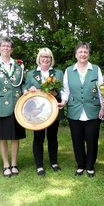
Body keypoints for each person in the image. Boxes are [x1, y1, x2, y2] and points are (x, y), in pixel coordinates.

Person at [58, 42, 104, 178]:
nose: (83, 54)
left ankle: (90, 166)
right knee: (77, 140)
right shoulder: (69, 70)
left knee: (92, 139)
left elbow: (102, 91)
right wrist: (63, 102)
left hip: (93, 110)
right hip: (75, 111)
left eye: (85, 52)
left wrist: (103, 107)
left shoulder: (96, 69)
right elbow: (66, 90)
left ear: (89, 54)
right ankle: (81, 165)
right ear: (76, 54)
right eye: (80, 52)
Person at [0, 36, 26, 177]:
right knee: (2, 137)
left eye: (8, 46)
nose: (5, 48)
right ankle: (5, 164)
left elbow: (22, 85)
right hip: (0, 107)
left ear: (12, 49)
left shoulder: (19, 66)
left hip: (16, 106)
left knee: (15, 137)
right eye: (3, 46)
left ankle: (14, 163)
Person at [23, 47, 64, 177]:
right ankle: (39, 165)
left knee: (53, 137)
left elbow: (63, 90)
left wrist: (56, 92)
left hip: (52, 110)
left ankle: (54, 162)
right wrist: (29, 89)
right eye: (43, 56)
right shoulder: (30, 73)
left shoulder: (58, 73)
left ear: (51, 59)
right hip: (36, 112)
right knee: (38, 138)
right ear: (39, 59)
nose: (45, 59)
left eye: (48, 57)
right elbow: (24, 87)